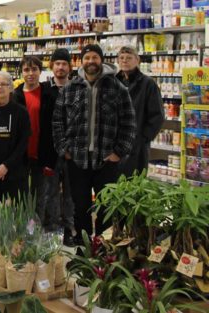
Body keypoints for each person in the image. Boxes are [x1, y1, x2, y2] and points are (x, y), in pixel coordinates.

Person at [53, 44, 136, 239]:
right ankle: (83, 251)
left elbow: (129, 122)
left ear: (101, 60)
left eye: (95, 57)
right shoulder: (70, 88)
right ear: (81, 62)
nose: (91, 61)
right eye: (87, 58)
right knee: (80, 208)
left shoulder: (117, 88)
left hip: (106, 159)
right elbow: (57, 121)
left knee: (106, 208)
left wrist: (119, 152)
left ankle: (102, 253)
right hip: (77, 160)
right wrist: (64, 149)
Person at [11, 56, 58, 224]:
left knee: (40, 195)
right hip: (21, 154)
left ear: (40, 71)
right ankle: (23, 230)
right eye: (26, 70)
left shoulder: (49, 94)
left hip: (42, 153)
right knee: (22, 195)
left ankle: (37, 231)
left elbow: (54, 127)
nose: (30, 73)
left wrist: (52, 158)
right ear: (22, 72)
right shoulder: (15, 96)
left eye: (34, 69)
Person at [116, 46, 165, 177]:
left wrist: (142, 139)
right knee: (113, 187)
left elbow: (157, 116)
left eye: (129, 58)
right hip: (115, 146)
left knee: (133, 185)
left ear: (137, 60)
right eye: (121, 58)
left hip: (137, 147)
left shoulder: (148, 84)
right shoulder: (113, 82)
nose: (124, 61)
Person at [45, 49, 77, 243]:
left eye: (64, 64)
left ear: (69, 67)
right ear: (52, 66)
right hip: (50, 150)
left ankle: (70, 229)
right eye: (57, 63)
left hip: (72, 152)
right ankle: (53, 228)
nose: (60, 67)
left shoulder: (77, 89)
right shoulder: (45, 90)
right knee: (51, 192)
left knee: (71, 193)